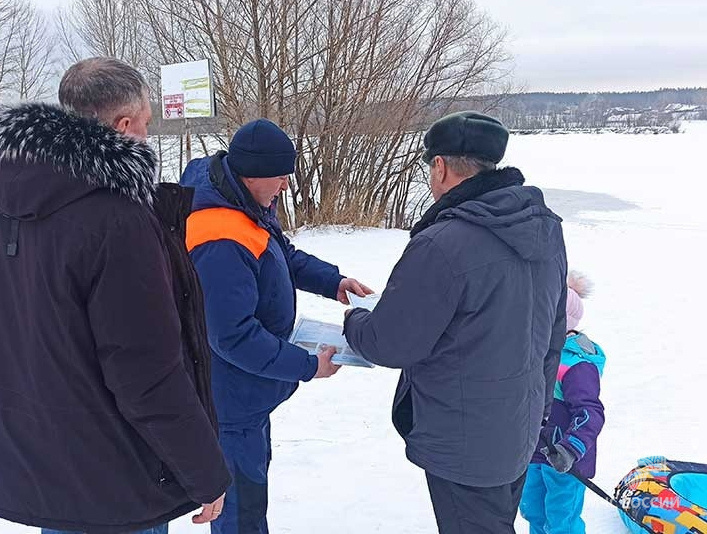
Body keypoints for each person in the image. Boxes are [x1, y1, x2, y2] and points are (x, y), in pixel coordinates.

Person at [0, 57, 231, 534]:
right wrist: (206, 473)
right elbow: (146, 371)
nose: (147, 136)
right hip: (117, 481)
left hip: (44, 467)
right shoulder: (117, 219)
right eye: (146, 124)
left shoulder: (13, 199)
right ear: (124, 125)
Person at [344, 111, 568, 534]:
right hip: (515, 430)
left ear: (440, 166)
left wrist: (353, 319)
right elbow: (554, 333)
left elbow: (388, 343)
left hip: (465, 443)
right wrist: (538, 409)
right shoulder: (544, 229)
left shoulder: (442, 243)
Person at [180, 118, 372, 533]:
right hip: (229, 397)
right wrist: (307, 365)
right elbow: (232, 336)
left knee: (250, 498)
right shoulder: (219, 237)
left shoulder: (246, 205)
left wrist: (333, 281)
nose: (286, 184)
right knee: (241, 512)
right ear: (253, 174)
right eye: (281, 176)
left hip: (248, 392)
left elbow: (282, 254)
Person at [520, 271, 606, 534]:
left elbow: (591, 413)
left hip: (565, 460)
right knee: (533, 510)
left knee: (561, 521)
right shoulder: (537, 353)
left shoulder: (576, 365)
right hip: (533, 453)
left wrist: (570, 448)